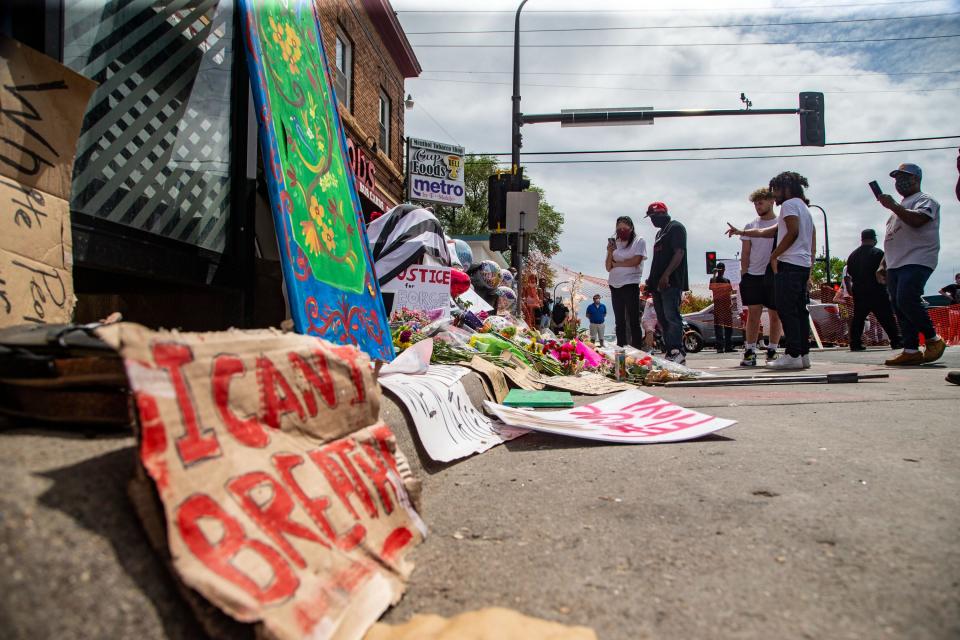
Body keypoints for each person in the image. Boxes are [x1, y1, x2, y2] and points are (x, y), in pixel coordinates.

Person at [727, 171, 816, 370]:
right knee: (799, 311)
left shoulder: (790, 205)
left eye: (776, 190)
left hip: (790, 264)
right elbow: (769, 232)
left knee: (787, 311)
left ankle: (793, 353)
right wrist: (742, 232)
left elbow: (792, 232)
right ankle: (802, 354)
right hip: (801, 265)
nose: (775, 195)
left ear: (787, 188)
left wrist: (775, 255)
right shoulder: (804, 207)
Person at [876, 163, 946, 366]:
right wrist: (883, 263)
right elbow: (891, 238)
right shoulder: (895, 213)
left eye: (904, 177)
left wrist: (894, 206)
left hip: (917, 258)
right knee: (898, 304)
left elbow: (918, 221)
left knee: (907, 298)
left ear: (916, 179)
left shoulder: (925, 200)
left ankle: (933, 339)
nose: (900, 182)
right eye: (897, 178)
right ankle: (911, 349)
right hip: (896, 263)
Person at [738, 187, 784, 366]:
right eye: (756, 203)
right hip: (753, 275)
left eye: (761, 202)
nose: (758, 206)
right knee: (753, 314)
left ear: (772, 201)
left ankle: (772, 350)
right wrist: (744, 273)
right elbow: (745, 253)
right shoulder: (751, 226)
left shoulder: (781, 222)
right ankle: (750, 351)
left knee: (775, 315)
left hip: (773, 274)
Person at [645, 202, 688, 364]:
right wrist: (651, 281)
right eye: (650, 218)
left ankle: (678, 350)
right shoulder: (659, 233)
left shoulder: (676, 228)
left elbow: (679, 252)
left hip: (670, 282)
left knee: (672, 316)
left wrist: (666, 275)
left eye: (654, 217)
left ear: (662, 215)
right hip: (657, 284)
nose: (652, 221)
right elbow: (657, 260)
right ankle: (670, 350)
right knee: (662, 319)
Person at [845, 229, 903, 351]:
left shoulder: (853, 255)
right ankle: (896, 340)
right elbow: (885, 270)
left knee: (858, 318)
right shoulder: (878, 253)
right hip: (877, 289)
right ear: (874, 239)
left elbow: (849, 273)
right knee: (886, 316)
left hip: (859, 290)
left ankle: (855, 343)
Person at [605, 215, 647, 348]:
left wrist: (617, 264)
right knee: (619, 321)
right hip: (614, 284)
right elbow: (608, 267)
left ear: (631, 228)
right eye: (619, 228)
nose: (621, 231)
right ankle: (621, 348)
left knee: (633, 320)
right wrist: (610, 252)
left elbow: (636, 261)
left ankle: (637, 349)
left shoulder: (638, 240)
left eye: (624, 228)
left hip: (630, 283)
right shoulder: (615, 243)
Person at [708, 262, 734, 353]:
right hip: (718, 305)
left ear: (724, 270)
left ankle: (728, 347)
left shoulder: (727, 280)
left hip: (727, 306)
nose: (721, 271)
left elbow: (730, 292)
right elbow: (712, 287)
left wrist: (731, 302)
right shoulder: (713, 279)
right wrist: (714, 274)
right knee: (718, 327)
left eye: (722, 269)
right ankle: (720, 347)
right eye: (719, 269)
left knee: (729, 327)